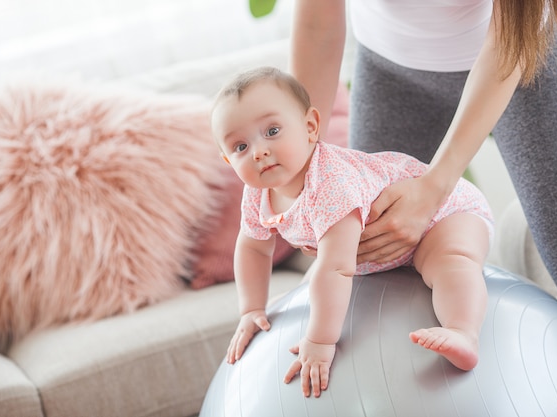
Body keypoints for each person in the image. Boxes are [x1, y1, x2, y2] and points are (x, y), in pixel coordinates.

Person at [290, 0, 557, 353]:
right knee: (369, 262)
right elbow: (318, 24)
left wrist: (432, 189)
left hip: (523, 53)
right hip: (390, 69)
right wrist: (303, 173)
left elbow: (508, 44)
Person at [210, 67, 494, 397]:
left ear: (310, 127)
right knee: (310, 287)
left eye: (272, 130)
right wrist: (251, 308)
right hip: (375, 250)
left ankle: (463, 331)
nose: (258, 151)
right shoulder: (258, 193)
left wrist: (320, 341)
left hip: (443, 215)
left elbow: (337, 268)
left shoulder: (331, 183)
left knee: (449, 261)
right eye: (241, 147)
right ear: (229, 162)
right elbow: (254, 248)